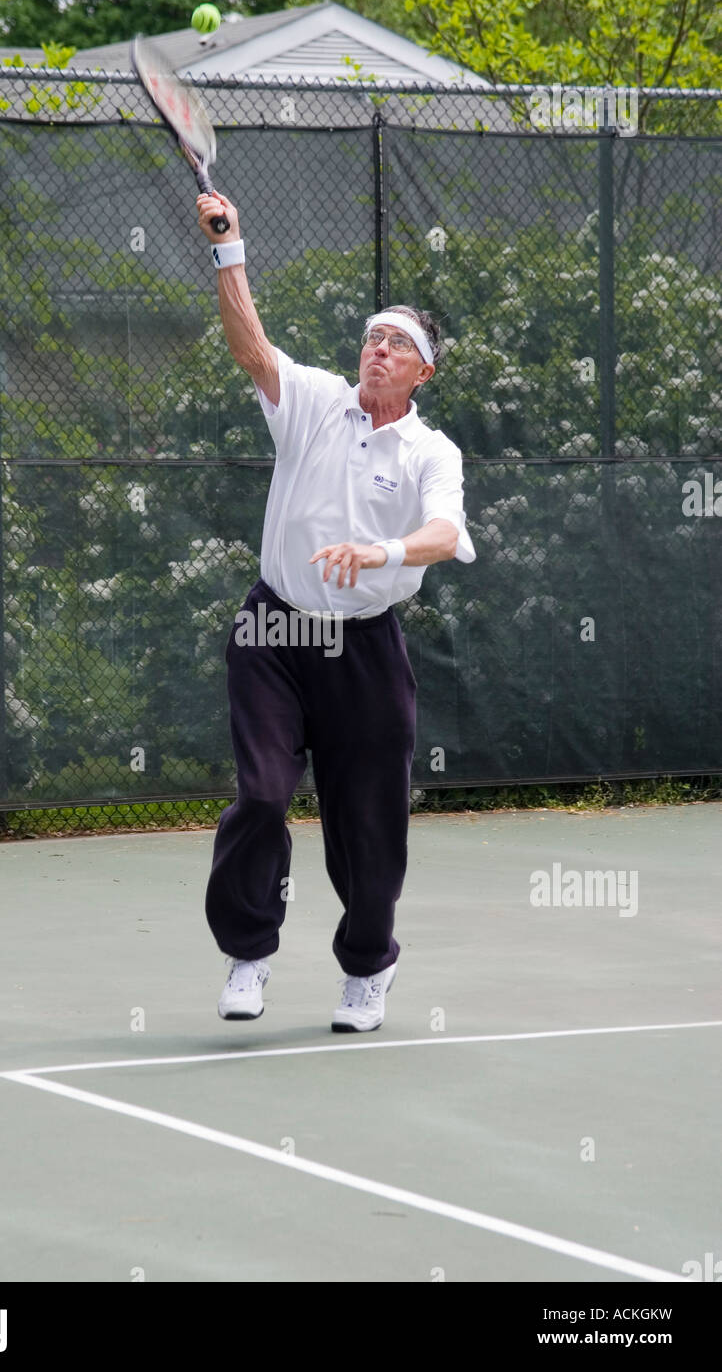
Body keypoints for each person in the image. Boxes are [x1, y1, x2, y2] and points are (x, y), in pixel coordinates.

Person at [196, 189, 476, 1033]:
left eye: (398, 344)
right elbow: (251, 349)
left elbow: (444, 532)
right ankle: (250, 953)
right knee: (262, 794)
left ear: (424, 370)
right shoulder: (316, 401)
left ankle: (368, 969)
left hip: (364, 648)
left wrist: (379, 554)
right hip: (275, 631)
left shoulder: (432, 450)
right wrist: (229, 250)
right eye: (373, 338)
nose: (378, 351)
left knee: (369, 824)